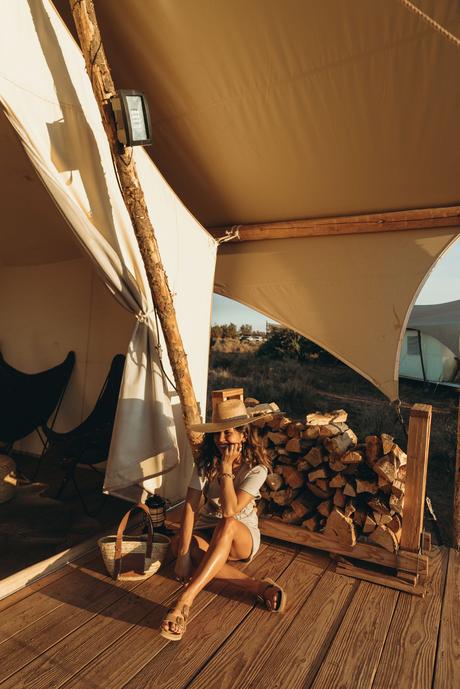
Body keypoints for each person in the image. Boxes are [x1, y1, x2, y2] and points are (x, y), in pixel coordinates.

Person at [160, 397, 287, 641]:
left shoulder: (256, 469)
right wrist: (184, 554)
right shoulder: (206, 463)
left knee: (227, 523)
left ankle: (185, 601)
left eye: (228, 433)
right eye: (217, 434)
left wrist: (227, 468)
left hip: (241, 534)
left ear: (243, 436)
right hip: (209, 528)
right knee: (178, 544)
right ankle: (258, 586)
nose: (221, 440)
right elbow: (190, 505)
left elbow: (230, 512)